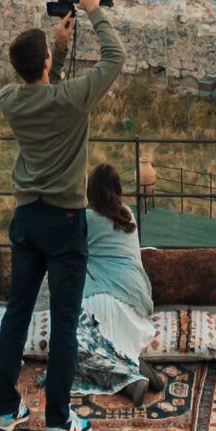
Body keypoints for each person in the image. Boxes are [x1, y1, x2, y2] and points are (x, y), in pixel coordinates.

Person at [0, 0, 125, 431]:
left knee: (17, 314)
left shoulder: (10, 100)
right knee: (65, 322)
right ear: (44, 62)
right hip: (66, 223)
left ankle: (6, 410)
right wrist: (92, 9)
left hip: (27, 218)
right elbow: (114, 56)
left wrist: (60, 48)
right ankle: (58, 420)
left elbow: (42, 91)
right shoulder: (71, 100)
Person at [76, 162, 156, 389]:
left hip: (100, 298)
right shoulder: (128, 215)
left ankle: (128, 379)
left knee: (77, 345)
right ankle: (134, 364)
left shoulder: (86, 218)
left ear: (90, 190)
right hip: (135, 297)